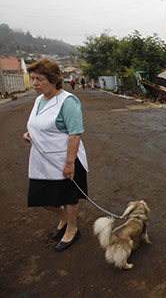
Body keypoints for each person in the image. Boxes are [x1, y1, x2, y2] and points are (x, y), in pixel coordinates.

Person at [23, 59, 89, 252]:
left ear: (53, 80)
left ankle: (72, 229)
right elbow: (39, 125)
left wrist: (70, 163)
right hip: (41, 159)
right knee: (39, 197)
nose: (34, 83)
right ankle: (63, 217)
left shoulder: (67, 101)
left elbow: (75, 133)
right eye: (33, 78)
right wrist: (30, 135)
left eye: (39, 79)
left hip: (64, 158)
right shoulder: (39, 100)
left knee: (68, 197)